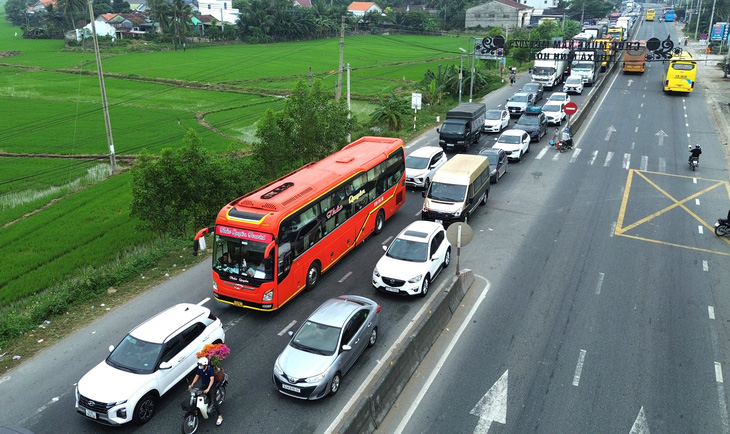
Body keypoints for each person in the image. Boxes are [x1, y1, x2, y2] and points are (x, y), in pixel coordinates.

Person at [189, 357, 223, 426]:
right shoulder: (200, 369)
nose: (200, 366)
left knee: (213, 401)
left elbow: (212, 380)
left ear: (205, 365)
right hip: (204, 385)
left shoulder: (210, 370)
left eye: (201, 365)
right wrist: (192, 384)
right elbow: (196, 376)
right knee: (196, 394)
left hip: (211, 386)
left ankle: (220, 416)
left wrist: (208, 389)